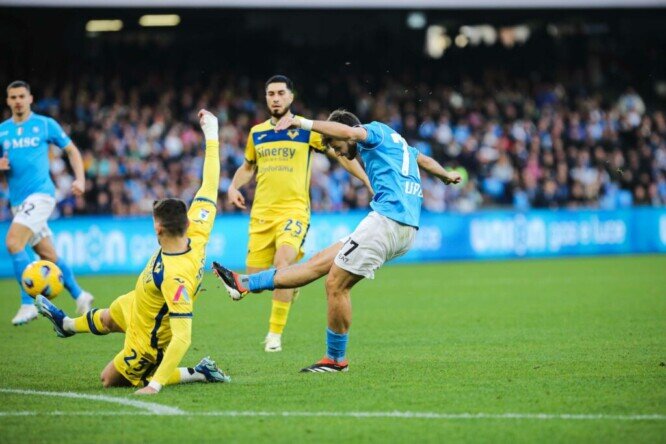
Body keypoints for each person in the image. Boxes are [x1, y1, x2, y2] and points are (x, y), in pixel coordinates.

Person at [214, 109, 461, 372]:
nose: (338, 151)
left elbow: (351, 132)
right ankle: (243, 283)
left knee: (335, 284)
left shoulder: (371, 130)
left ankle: (335, 359)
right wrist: (445, 175)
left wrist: (302, 122)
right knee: (319, 262)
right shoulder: (394, 140)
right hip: (399, 226)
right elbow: (422, 159)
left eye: (336, 144)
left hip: (387, 222)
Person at [36, 109, 229, 393]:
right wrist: (211, 134)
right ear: (186, 222)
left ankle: (198, 372)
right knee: (107, 318)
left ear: (158, 229)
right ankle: (65, 324)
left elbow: (182, 338)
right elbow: (210, 185)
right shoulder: (197, 231)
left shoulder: (176, 278)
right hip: (138, 302)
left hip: (149, 337)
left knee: (109, 379)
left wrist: (156, 385)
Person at [227, 75, 371, 352]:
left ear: (291, 97)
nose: (276, 98)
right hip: (261, 216)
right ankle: (294, 282)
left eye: (281, 93)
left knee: (282, 265)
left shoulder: (306, 129)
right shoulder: (257, 133)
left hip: (294, 212)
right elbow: (247, 167)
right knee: (255, 281)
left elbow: (340, 153)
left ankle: (274, 335)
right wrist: (233, 186)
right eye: (271, 94)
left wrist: (365, 180)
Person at [0, 80, 93, 326]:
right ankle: (80, 294)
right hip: (17, 202)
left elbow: (72, 150)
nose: (18, 100)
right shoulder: (2, 131)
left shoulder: (44, 124)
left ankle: (28, 304)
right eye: (13, 97)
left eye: (22, 96)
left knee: (13, 242)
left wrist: (80, 179)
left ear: (30, 98)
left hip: (41, 195)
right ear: (8, 101)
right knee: (47, 253)